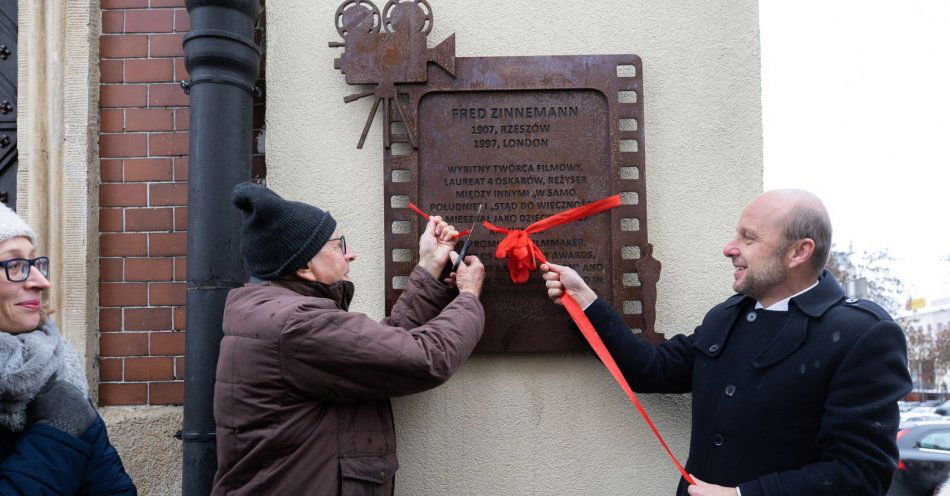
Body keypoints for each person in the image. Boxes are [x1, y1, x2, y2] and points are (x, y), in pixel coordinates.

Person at [541, 190, 912, 496]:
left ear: (799, 252)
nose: (729, 248)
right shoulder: (728, 316)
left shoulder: (862, 334)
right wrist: (586, 301)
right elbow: (652, 370)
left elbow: (860, 474)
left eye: (748, 238)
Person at [212, 183, 486, 495]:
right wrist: (468, 296)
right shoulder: (299, 325)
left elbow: (380, 351)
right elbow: (426, 358)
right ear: (304, 266)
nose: (350, 254)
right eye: (338, 245)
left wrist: (429, 266)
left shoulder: (275, 313)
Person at [0, 204, 136, 494]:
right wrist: (55, 435)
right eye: (14, 265)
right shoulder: (64, 409)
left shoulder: (61, 373)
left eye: (35, 263)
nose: (41, 281)